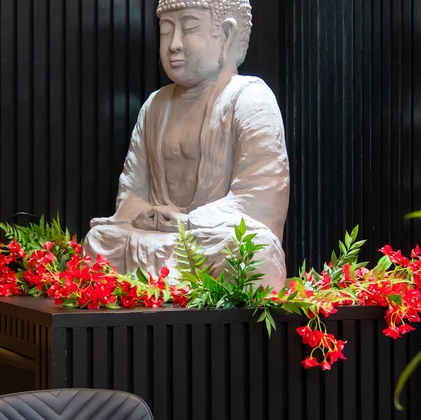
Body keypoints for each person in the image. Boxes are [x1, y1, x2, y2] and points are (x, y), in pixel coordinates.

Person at [83, 0, 290, 288]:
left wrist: (188, 221)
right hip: (159, 238)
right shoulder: (155, 105)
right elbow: (130, 194)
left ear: (226, 35)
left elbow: (261, 200)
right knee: (100, 240)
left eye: (190, 28)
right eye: (166, 31)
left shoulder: (250, 98)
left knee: (256, 252)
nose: (174, 45)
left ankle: (163, 285)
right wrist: (148, 214)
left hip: (211, 236)